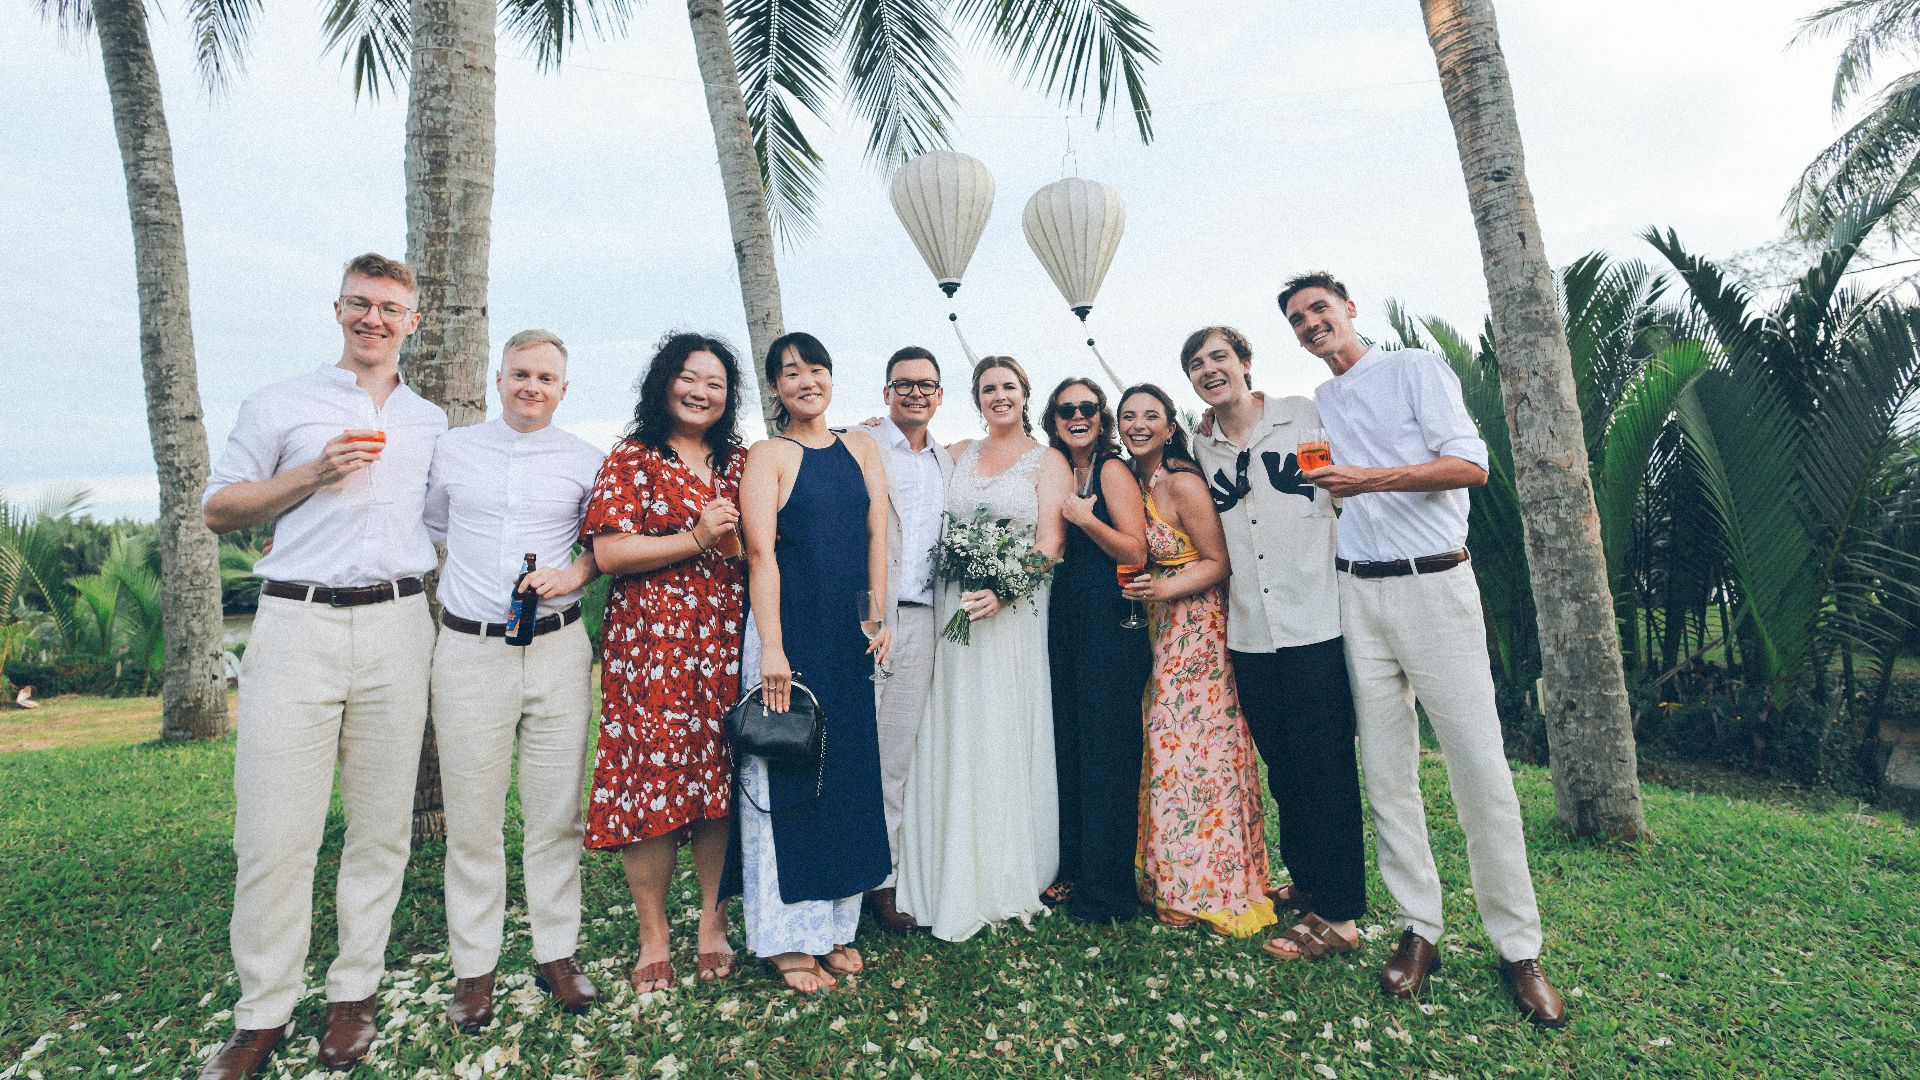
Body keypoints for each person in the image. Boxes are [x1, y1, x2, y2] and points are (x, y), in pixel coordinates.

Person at [1284, 271, 1567, 1026]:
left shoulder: (1413, 367)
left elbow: (1470, 465)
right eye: (1297, 318)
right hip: (1358, 595)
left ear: (1350, 308)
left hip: (1435, 586)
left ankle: (1518, 949)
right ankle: (1420, 931)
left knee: (1480, 770)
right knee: (1387, 774)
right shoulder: (1323, 403)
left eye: (1319, 309)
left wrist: (1367, 480)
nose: (1311, 323)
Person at [198, 253, 447, 1078]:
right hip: (296, 624)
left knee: (380, 828)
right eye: (361, 304)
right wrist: (314, 471)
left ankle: (354, 996)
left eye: (391, 308)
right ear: (337, 309)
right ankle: (261, 1011)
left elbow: (454, 516)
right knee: (274, 831)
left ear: (414, 321)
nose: (374, 319)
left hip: (400, 623)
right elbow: (220, 508)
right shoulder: (281, 403)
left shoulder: (432, 422)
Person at [424, 330, 605, 1031]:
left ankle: (556, 952)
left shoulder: (586, 461)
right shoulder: (453, 451)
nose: (533, 387)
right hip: (469, 651)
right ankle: (475, 970)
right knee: (473, 819)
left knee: (555, 813)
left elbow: (600, 546)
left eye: (547, 378)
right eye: (521, 374)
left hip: (559, 649)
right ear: (498, 379)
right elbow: (435, 523)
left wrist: (574, 573)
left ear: (564, 389)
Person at [1184, 325, 1368, 961]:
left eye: (1219, 358)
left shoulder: (1303, 419)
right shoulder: (1198, 445)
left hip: (1315, 623)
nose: (1210, 371)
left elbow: (1352, 477)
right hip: (1251, 635)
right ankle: (1311, 883)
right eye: (1197, 365)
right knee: (1285, 769)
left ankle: (1341, 916)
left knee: (1328, 770)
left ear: (1245, 362)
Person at [582, 332, 748, 993]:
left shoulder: (737, 462)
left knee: (715, 782)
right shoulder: (634, 457)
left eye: (715, 382)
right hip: (651, 649)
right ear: (663, 382)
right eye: (689, 377)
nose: (701, 391)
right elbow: (610, 553)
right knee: (648, 786)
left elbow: (749, 550)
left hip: (724, 646)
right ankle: (654, 931)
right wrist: (695, 537)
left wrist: (728, 543)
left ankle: (712, 920)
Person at [731, 331, 893, 993]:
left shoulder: (862, 447)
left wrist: (877, 615)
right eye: (790, 372)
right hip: (788, 632)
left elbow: (877, 531)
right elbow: (760, 554)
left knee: (846, 777)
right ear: (774, 387)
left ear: (831, 376)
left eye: (816, 368)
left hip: (847, 635)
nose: (806, 381)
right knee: (789, 775)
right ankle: (783, 939)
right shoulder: (767, 455)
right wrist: (771, 646)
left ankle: (833, 927)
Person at [896, 356, 1072, 943]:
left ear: (1026, 394)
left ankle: (1000, 866)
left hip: (1012, 615)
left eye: (1009, 388)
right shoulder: (959, 452)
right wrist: (872, 425)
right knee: (949, 727)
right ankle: (938, 864)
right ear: (975, 398)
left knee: (1000, 726)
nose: (1000, 396)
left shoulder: (1048, 461)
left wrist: (1002, 588)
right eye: (989, 388)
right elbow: (909, 456)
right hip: (953, 611)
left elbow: (1050, 544)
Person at [1117, 384, 1278, 938]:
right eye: (1129, 416)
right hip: (1159, 631)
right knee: (1166, 749)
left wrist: (1163, 591)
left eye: (1151, 417)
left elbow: (1219, 561)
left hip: (1198, 630)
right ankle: (1170, 879)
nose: (1138, 425)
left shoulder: (1182, 482)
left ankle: (1210, 885)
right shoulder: (1137, 482)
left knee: (1194, 751)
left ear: (1169, 427)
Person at [1040, 376, 1150, 923]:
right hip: (1063, 623)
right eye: (1066, 410)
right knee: (1070, 750)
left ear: (1101, 415)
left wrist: (1087, 520)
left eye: (1087, 407)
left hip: (1112, 623)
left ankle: (1107, 891)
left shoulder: (1112, 470)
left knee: (1108, 755)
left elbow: (1136, 549)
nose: (1077, 416)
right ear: (1053, 418)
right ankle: (1073, 871)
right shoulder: (1053, 468)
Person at [865, 346, 954, 933]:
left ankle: (884, 879)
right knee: (849, 748)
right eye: (904, 384)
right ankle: (839, 877)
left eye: (926, 385)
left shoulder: (948, 462)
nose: (915, 394)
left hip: (922, 620)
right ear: (887, 392)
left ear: (941, 395)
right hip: (864, 617)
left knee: (894, 756)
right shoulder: (862, 446)